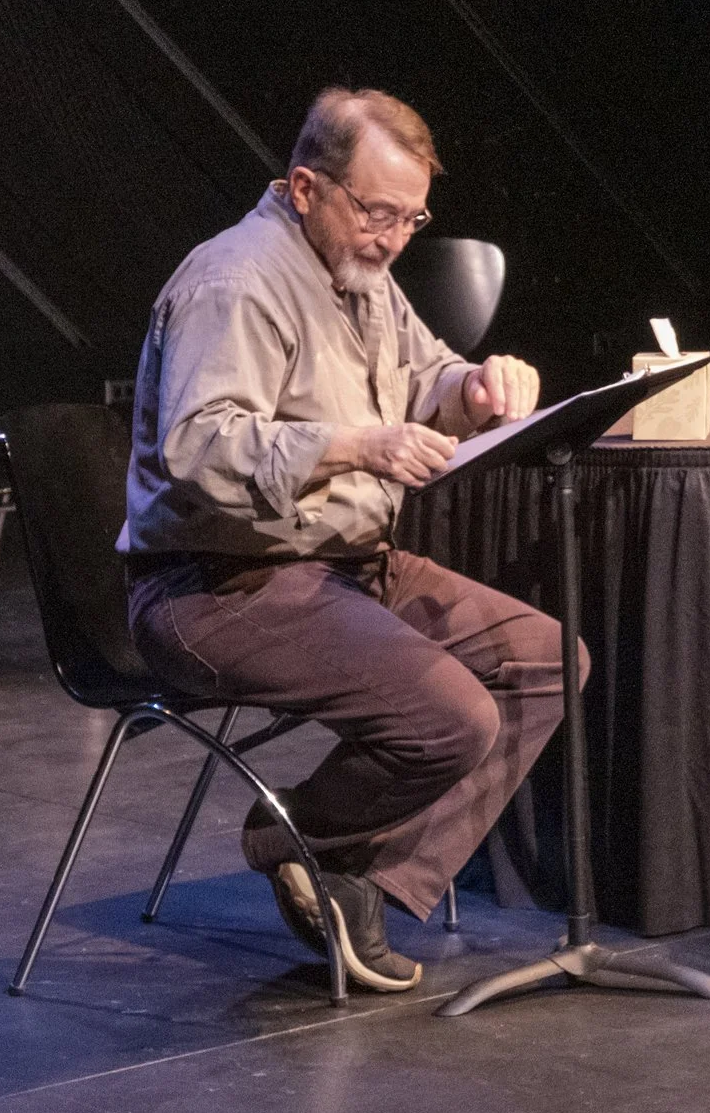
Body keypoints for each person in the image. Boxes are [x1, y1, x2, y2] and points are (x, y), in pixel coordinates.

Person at [120, 87, 566, 992]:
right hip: (217, 585)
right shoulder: (235, 281)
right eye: (377, 212)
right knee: (454, 715)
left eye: (411, 219)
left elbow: (424, 375)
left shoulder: (360, 274)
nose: (393, 238)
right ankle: (304, 838)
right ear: (305, 188)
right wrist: (357, 446)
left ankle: (352, 870)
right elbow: (198, 447)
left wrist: (475, 388)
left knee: (546, 659)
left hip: (343, 565)